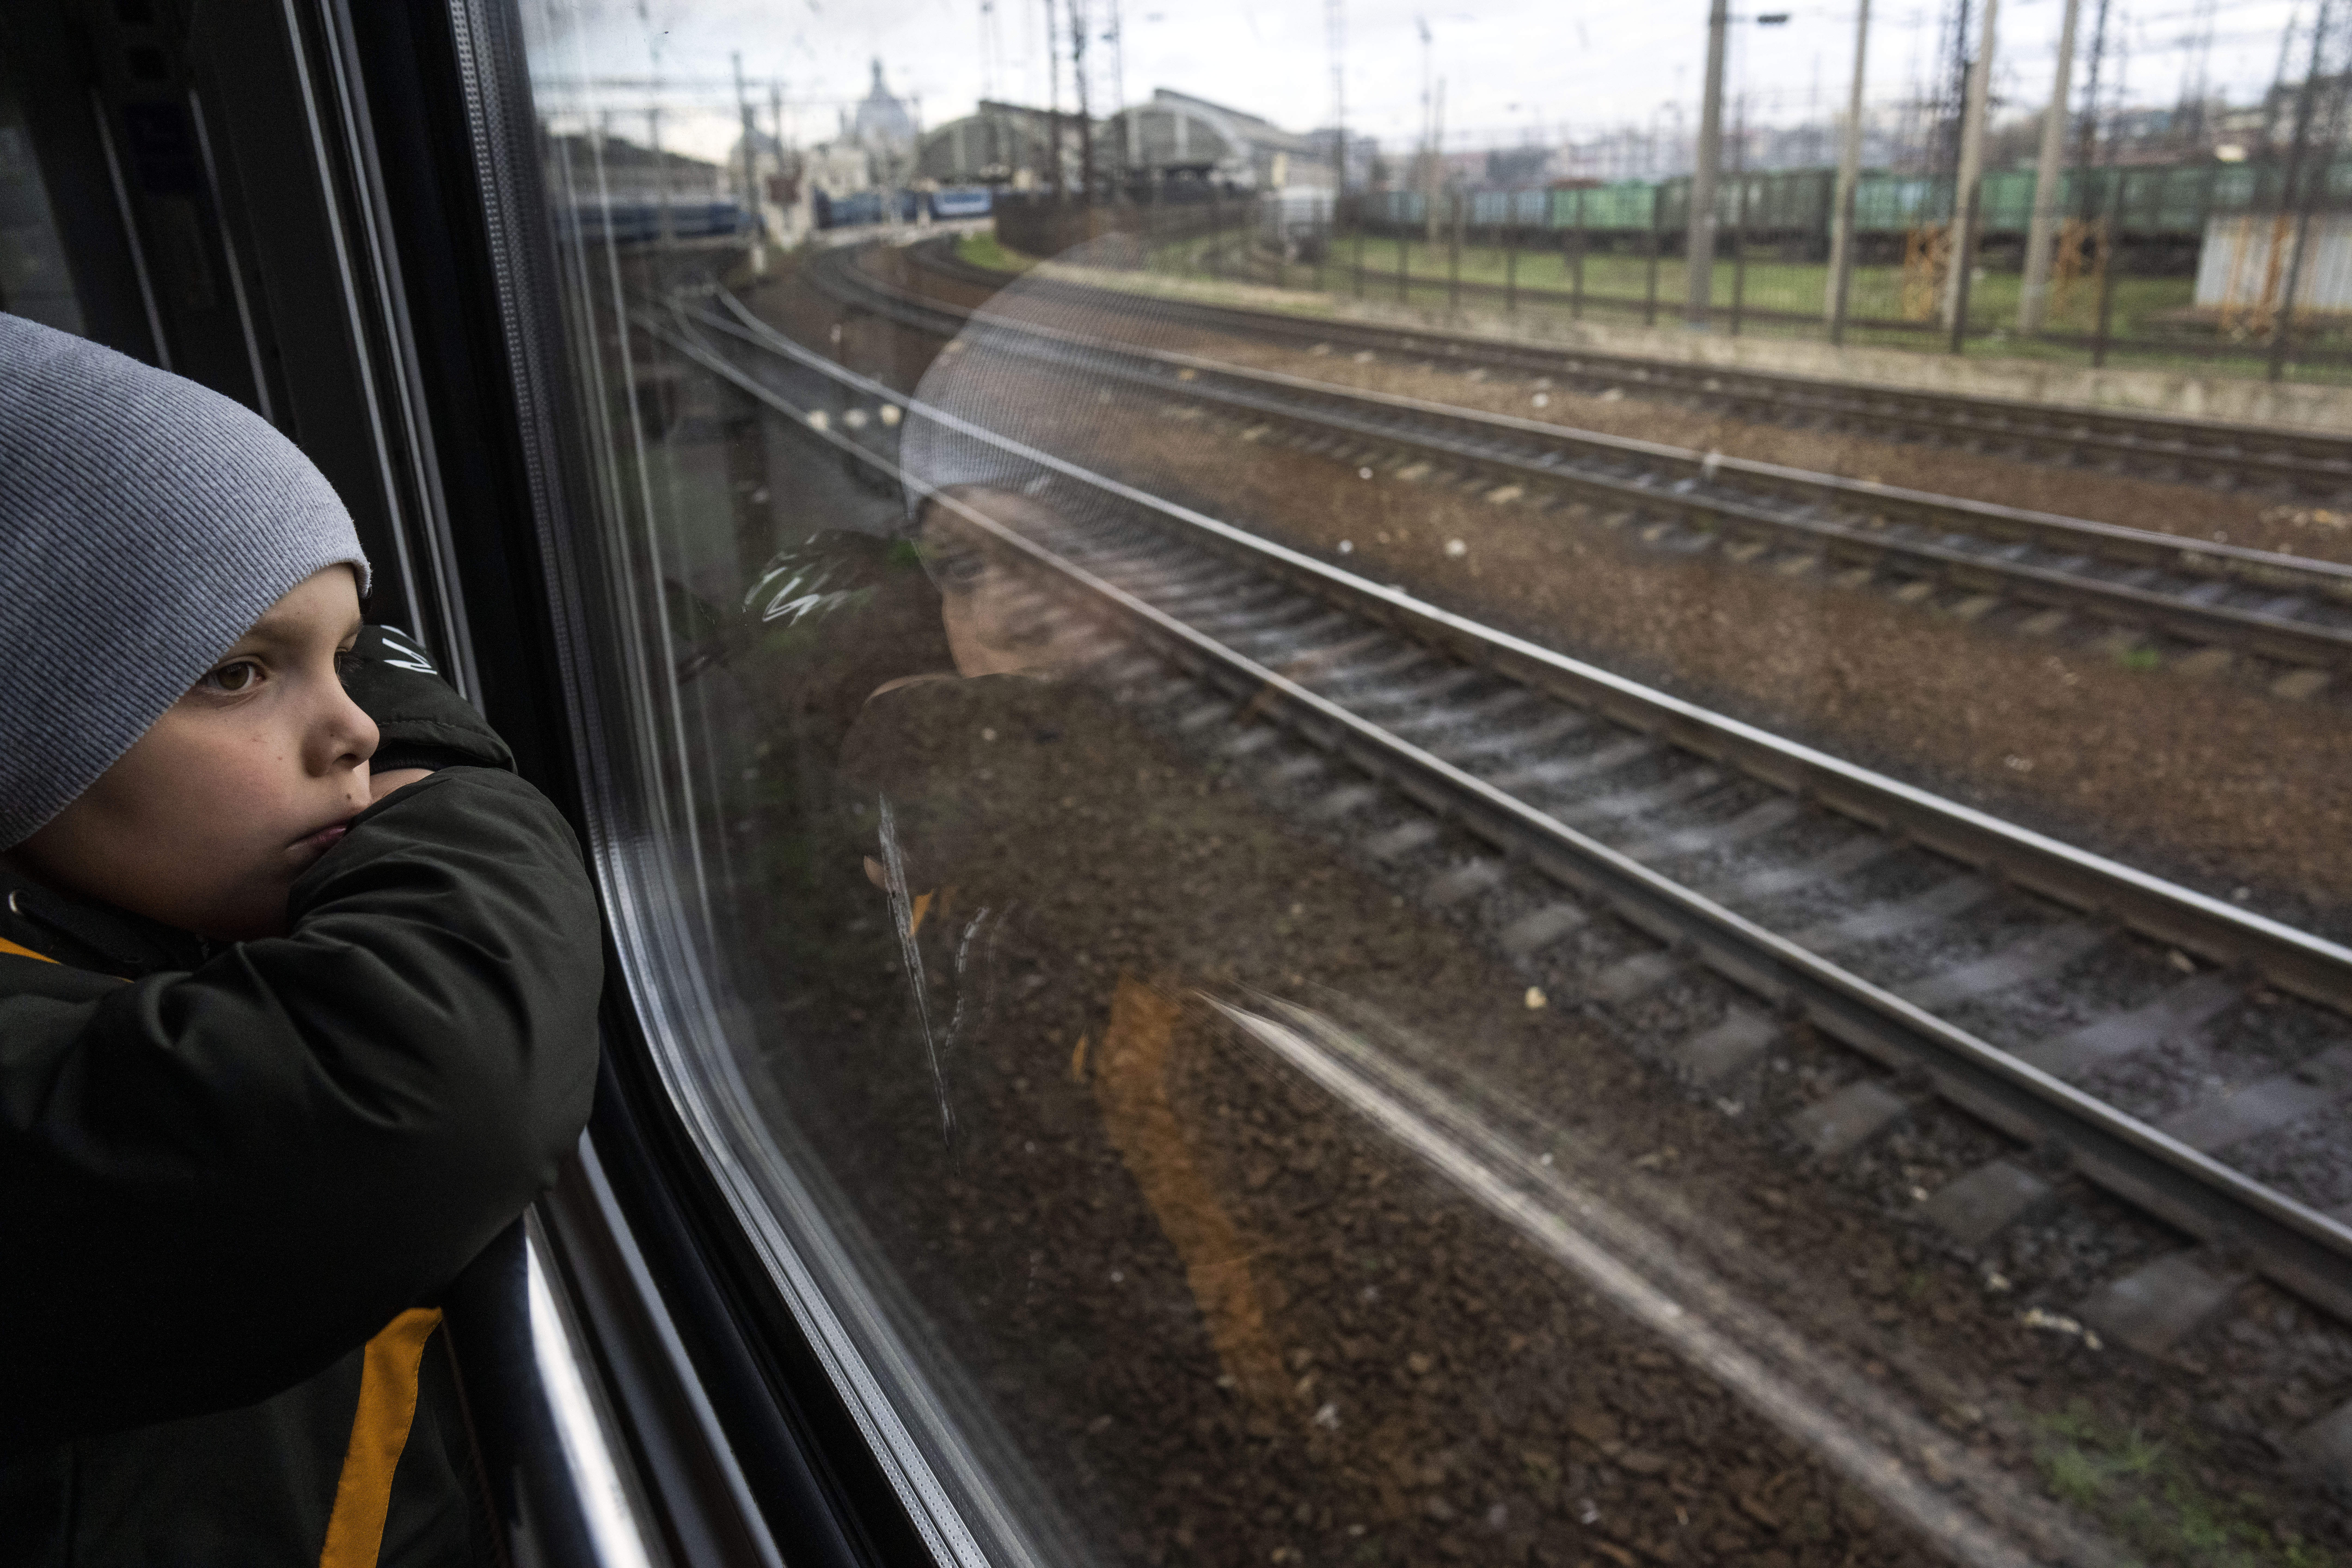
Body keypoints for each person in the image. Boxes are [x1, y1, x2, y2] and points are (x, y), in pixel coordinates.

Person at [0, 314, 603, 1564]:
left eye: (347, 659)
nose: (362, 735)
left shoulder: (135, 924)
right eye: (237, 673)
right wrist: (449, 783)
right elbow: (424, 1091)